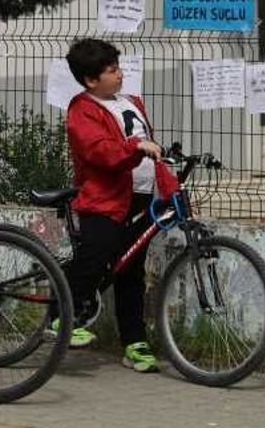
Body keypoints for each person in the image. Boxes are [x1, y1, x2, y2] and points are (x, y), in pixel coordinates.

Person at [55, 38, 179, 373]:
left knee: (131, 268)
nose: (120, 74)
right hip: (105, 199)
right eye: (112, 71)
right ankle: (60, 318)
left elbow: (148, 148)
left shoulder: (131, 101)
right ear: (91, 80)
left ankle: (135, 342)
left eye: (118, 67)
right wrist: (136, 148)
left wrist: (167, 181)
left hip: (140, 196)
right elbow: (99, 151)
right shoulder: (82, 109)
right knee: (94, 255)